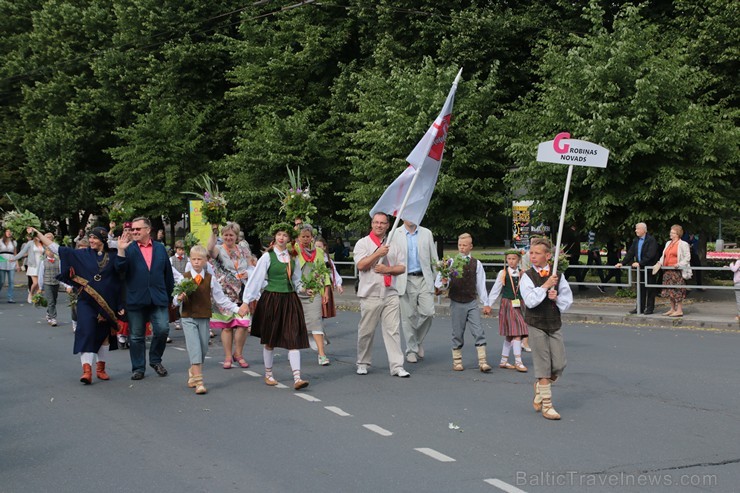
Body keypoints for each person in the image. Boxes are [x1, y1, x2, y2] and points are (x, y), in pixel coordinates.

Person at [31, 226, 122, 385]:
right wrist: (38, 233)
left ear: (102, 240)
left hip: (107, 302)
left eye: (95, 238)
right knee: (86, 331)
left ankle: (101, 369)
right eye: (90, 238)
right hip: (86, 301)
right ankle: (87, 371)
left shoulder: (114, 255)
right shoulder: (82, 254)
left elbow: (122, 273)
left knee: (103, 336)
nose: (91, 241)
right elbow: (56, 248)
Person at [242, 223, 310, 390]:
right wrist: (246, 300)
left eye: (285, 235)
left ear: (289, 239)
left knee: (293, 337)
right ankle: (269, 374)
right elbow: (256, 279)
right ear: (275, 237)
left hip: (289, 300)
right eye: (279, 234)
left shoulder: (293, 257)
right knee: (270, 339)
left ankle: (297, 378)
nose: (281, 238)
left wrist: (303, 288)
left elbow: (296, 279)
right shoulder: (268, 257)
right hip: (272, 299)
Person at [173, 245, 247, 394]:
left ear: (206, 261)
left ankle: (192, 371)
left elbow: (221, 299)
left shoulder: (210, 279)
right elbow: (174, 300)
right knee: (194, 347)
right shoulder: (184, 278)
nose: (196, 262)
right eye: (193, 259)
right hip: (188, 317)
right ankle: (199, 382)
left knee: (203, 348)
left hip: (204, 317)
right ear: (190, 260)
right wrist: (178, 298)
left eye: (199, 259)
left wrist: (237, 309)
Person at [520, 237, 573, 420]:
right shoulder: (527, 276)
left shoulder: (558, 275)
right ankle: (547, 405)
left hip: (553, 322)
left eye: (537, 253)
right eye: (531, 253)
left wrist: (556, 296)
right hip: (535, 323)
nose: (533, 256)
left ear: (548, 256)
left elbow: (567, 301)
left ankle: (540, 388)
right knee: (543, 364)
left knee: (559, 364)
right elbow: (530, 301)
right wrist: (544, 287)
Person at [115, 217, 175, 380]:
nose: (134, 232)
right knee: (136, 336)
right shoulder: (128, 248)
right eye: (133, 229)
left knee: (163, 329)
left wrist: (169, 296)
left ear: (148, 230)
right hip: (136, 298)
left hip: (158, 297)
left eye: (137, 229)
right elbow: (120, 271)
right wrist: (120, 251)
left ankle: (155, 360)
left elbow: (167, 274)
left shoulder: (160, 248)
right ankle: (138, 368)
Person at [353, 213, 409, 377]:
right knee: (366, 331)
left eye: (382, 223)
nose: (379, 225)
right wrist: (378, 254)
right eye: (376, 222)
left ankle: (397, 366)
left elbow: (402, 268)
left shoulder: (394, 244)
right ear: (372, 224)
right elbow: (361, 265)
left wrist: (387, 270)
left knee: (393, 331)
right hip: (370, 294)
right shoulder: (362, 243)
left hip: (390, 293)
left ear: (387, 226)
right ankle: (362, 362)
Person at [435, 233, 492, 373]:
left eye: (464, 245)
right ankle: (457, 360)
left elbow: (480, 285)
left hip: (471, 300)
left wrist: (486, 303)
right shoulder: (450, 263)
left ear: (470, 246)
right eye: (460, 245)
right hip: (456, 301)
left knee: (478, 330)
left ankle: (483, 361)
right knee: (457, 332)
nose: (461, 248)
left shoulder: (476, 263)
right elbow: (440, 283)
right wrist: (444, 283)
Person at [207, 221, 254, 369]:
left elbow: (252, 265)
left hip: (242, 292)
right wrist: (214, 231)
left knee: (243, 324)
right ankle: (228, 356)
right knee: (227, 327)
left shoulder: (244, 250)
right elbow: (209, 249)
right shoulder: (219, 249)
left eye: (231, 235)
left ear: (236, 236)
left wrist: (248, 272)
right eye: (226, 235)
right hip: (225, 293)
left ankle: (238, 354)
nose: (228, 238)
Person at [391, 219, 438, 364]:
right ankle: (411, 350)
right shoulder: (395, 234)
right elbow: (391, 259)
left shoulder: (426, 233)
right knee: (408, 317)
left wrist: (439, 281)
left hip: (424, 278)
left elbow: (433, 258)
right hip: (404, 279)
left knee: (428, 312)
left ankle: (416, 341)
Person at [484, 249, 528, 372]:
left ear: (518, 260)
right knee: (517, 332)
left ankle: (504, 360)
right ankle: (518, 361)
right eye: (509, 259)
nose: (511, 261)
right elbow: (496, 289)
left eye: (513, 259)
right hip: (508, 304)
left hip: (519, 304)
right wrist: (488, 304)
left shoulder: (523, 273)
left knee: (511, 334)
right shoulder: (503, 273)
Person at [294, 224, 332, 366]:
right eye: (302, 236)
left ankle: (321, 354)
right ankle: (293, 353)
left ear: (312, 237)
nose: (305, 239)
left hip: (314, 291)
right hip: (297, 292)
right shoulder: (295, 250)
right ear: (298, 237)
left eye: (307, 236)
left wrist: (326, 291)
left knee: (316, 321)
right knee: (295, 324)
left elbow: (324, 272)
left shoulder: (319, 252)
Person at [615, 222, 660, 314]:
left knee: (650, 289)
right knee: (640, 288)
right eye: (636, 228)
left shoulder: (651, 240)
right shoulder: (636, 240)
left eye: (638, 229)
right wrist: (622, 263)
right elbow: (631, 252)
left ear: (644, 230)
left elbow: (650, 255)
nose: (636, 230)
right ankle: (639, 307)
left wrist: (640, 263)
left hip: (649, 268)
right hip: (640, 269)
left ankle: (650, 308)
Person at [654, 224, 691, 317]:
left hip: (677, 271)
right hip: (667, 270)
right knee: (669, 290)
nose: (671, 234)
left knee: (677, 290)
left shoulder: (683, 244)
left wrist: (679, 264)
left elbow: (687, 257)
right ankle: (672, 309)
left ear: (678, 234)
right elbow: (664, 256)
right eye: (671, 232)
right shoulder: (668, 243)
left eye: (673, 233)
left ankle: (679, 310)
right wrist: (659, 263)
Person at [37, 233, 73, 327]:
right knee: (51, 301)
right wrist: (40, 286)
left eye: (51, 251)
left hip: (56, 283)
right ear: (46, 251)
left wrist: (65, 285)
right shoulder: (43, 262)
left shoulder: (59, 262)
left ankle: (49, 313)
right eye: (48, 251)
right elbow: (41, 275)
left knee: (54, 299)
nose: (50, 252)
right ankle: (53, 318)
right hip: (47, 283)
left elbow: (61, 273)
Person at [314, 236, 343, 319]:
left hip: (325, 286)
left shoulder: (327, 260)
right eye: (315, 247)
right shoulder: (311, 258)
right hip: (315, 286)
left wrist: (338, 284)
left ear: (324, 247)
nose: (317, 249)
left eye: (319, 246)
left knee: (323, 309)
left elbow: (333, 272)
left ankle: (320, 328)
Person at [14, 232, 44, 303]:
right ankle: (30, 294)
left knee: (40, 284)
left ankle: (37, 297)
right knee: (35, 283)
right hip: (33, 264)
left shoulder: (42, 243)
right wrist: (15, 258)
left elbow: (47, 252)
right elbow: (22, 252)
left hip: (41, 265)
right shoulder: (30, 243)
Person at [0, 229, 18, 303]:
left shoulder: (14, 242)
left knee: (11, 281)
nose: (9, 233)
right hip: (2, 261)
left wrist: (17, 264)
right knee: (1, 281)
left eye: (10, 232)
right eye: (7, 231)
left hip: (11, 262)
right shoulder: (0, 241)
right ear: (5, 232)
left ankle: (10, 297)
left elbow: (15, 254)